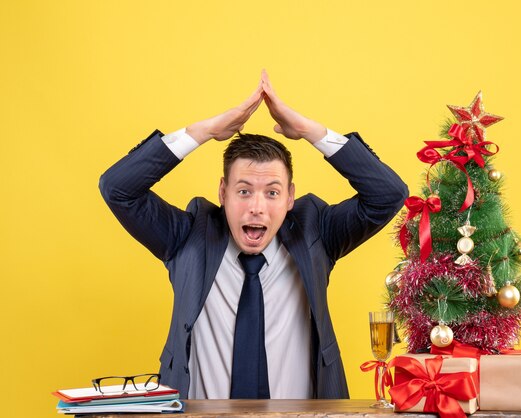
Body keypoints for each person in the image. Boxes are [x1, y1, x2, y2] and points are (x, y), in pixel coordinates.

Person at [99, 71, 408, 400]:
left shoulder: (316, 233)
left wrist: (308, 131)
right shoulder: (188, 235)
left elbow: (388, 194)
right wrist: (202, 132)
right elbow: (118, 189)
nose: (257, 208)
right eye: (244, 191)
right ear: (223, 193)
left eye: (272, 193)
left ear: (290, 197)